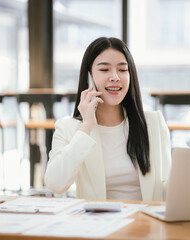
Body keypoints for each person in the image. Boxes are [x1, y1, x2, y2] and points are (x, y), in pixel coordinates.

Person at [44, 37, 171, 201]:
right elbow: (55, 183)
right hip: (97, 224)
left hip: (145, 223)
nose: (115, 77)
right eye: (104, 70)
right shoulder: (68, 127)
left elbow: (167, 186)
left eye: (123, 70)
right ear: (89, 76)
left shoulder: (153, 122)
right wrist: (87, 126)